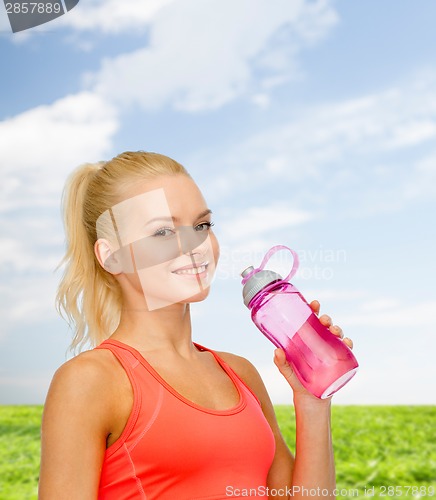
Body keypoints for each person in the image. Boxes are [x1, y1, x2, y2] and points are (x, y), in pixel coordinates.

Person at [39, 151, 353, 499]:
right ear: (111, 255)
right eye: (162, 231)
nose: (195, 246)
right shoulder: (90, 381)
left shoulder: (239, 373)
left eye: (201, 226)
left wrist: (312, 403)